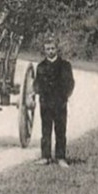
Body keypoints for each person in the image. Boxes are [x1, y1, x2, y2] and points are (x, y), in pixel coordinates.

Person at [33, 34, 75, 167]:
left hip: (60, 103)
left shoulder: (65, 65)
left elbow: (70, 83)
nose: (50, 51)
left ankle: (61, 157)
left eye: (52, 48)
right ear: (44, 50)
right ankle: (45, 156)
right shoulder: (40, 67)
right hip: (45, 103)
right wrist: (38, 91)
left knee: (60, 129)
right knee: (46, 130)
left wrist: (64, 96)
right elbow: (36, 84)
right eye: (48, 49)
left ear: (57, 49)